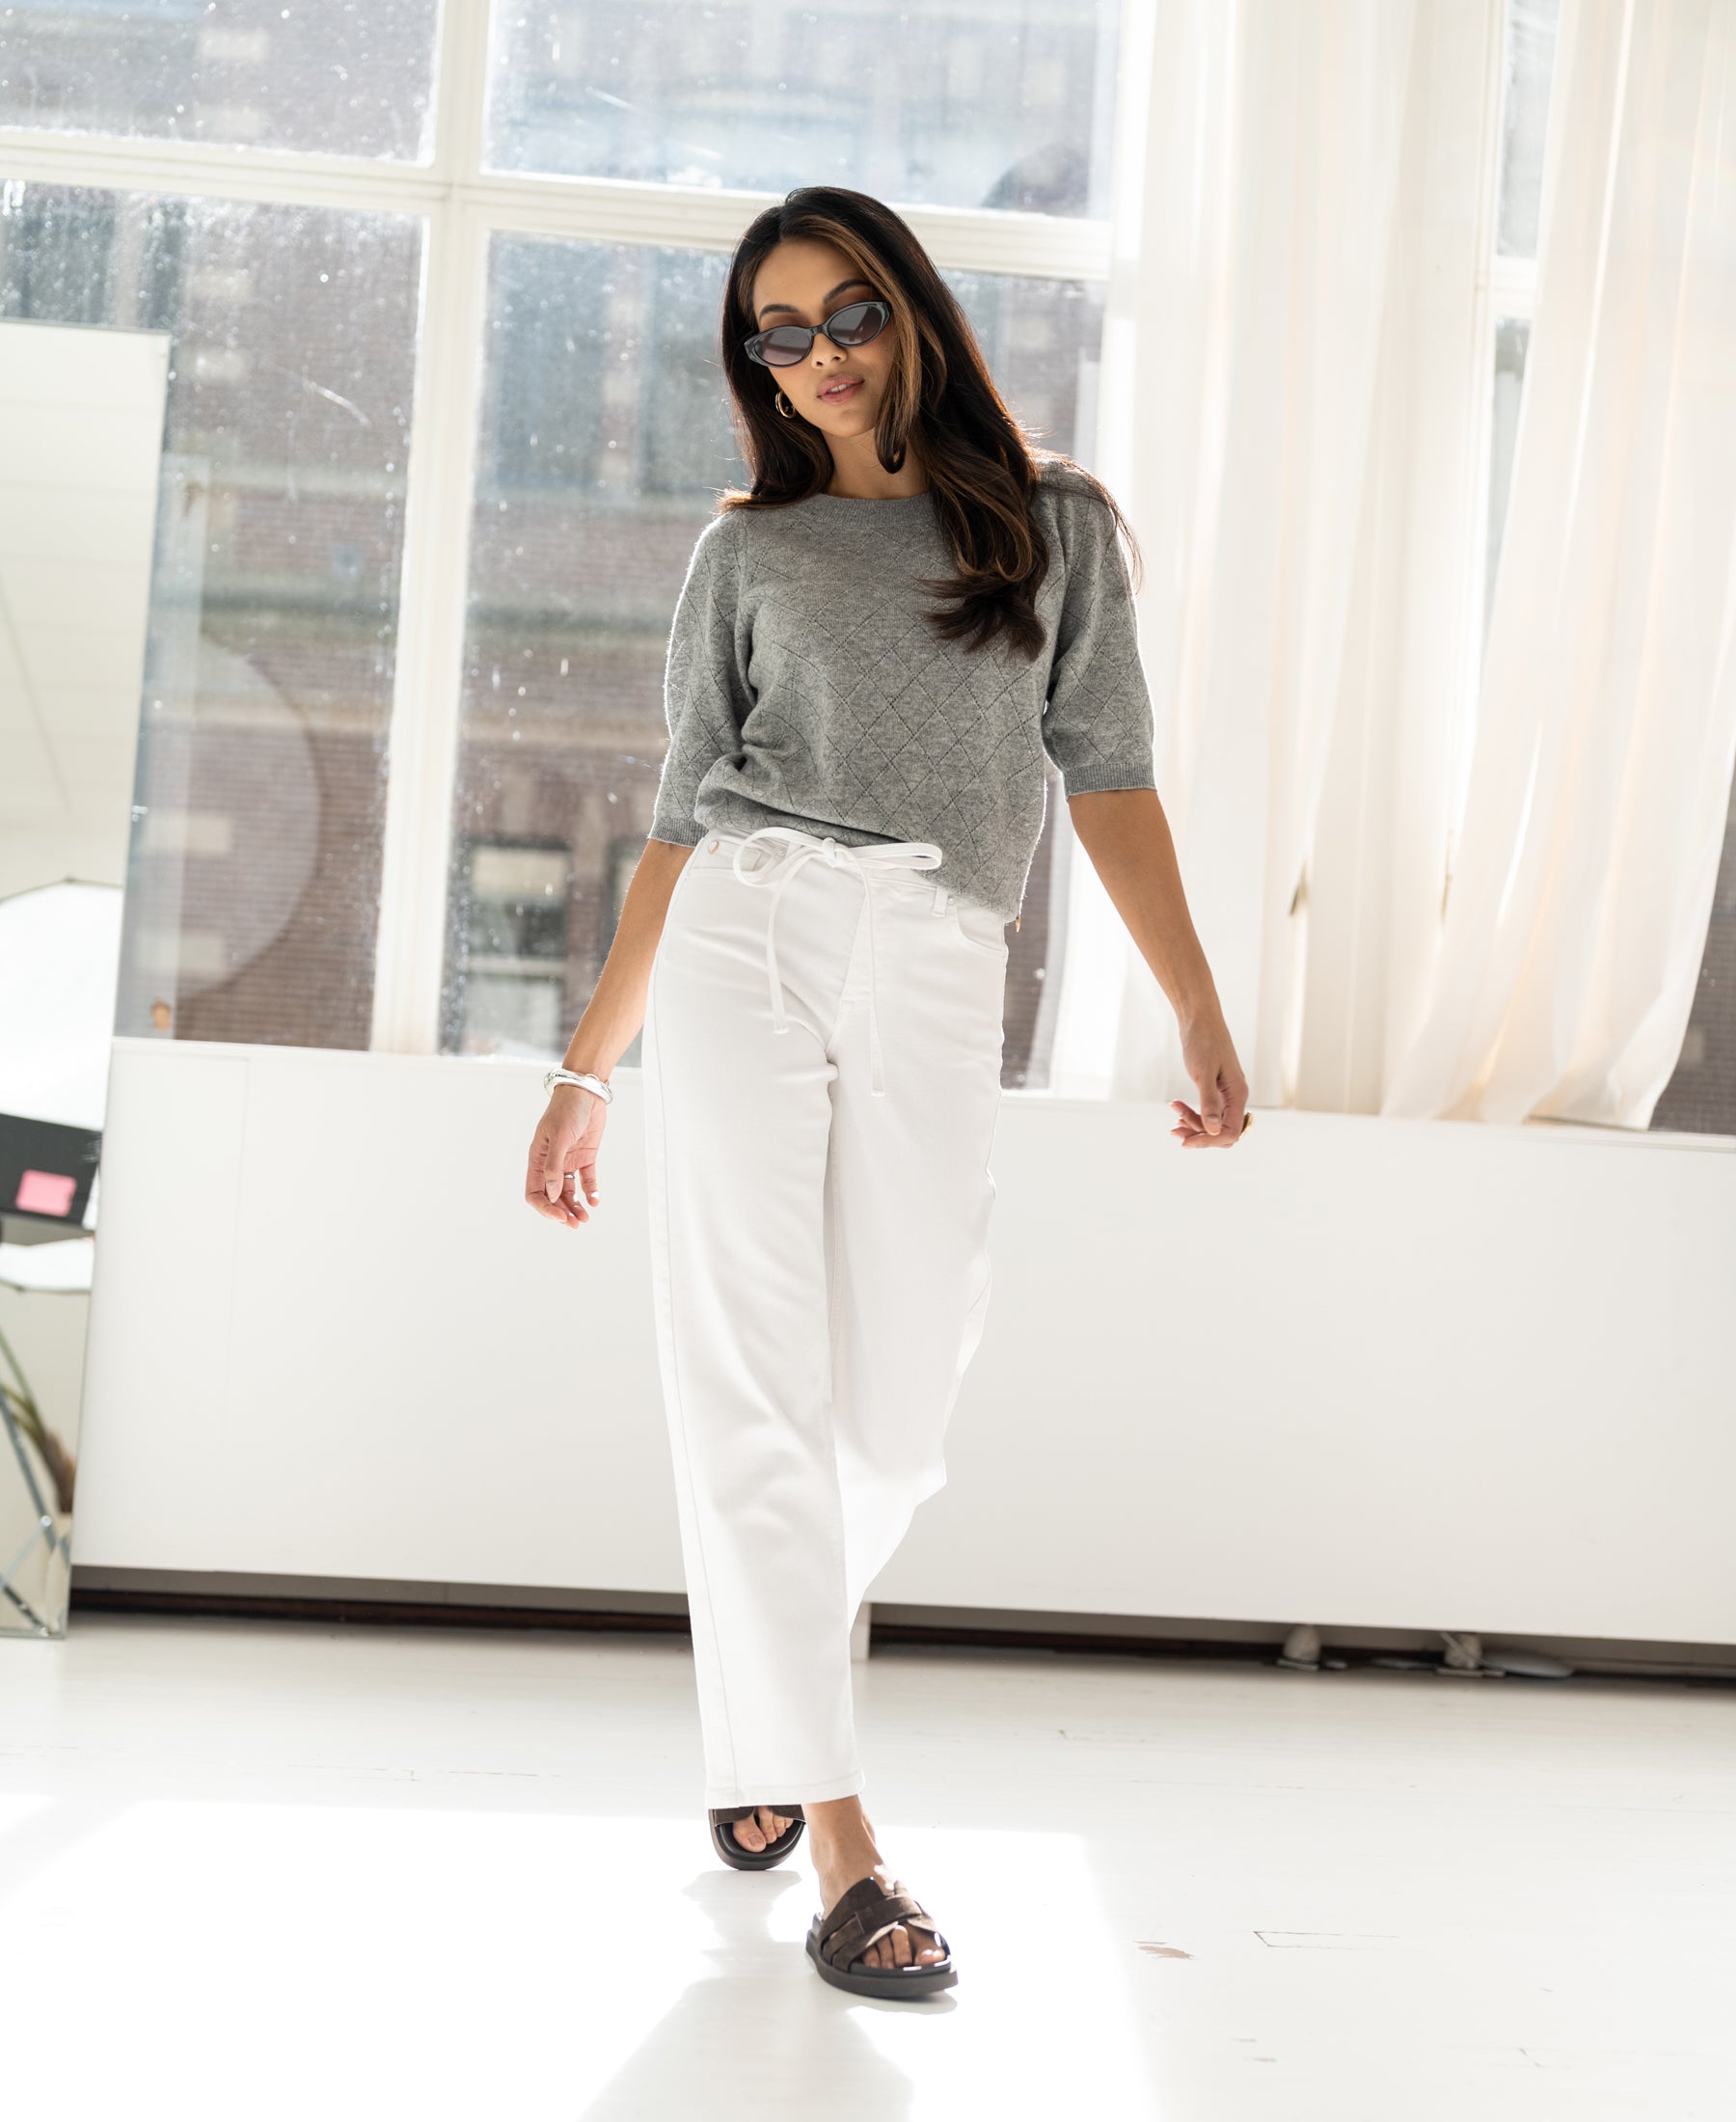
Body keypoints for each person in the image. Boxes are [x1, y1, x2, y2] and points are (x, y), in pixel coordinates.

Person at [525, 184, 1248, 2000]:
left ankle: (757, 1723)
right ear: (753, 365)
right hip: (748, 937)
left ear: (911, 308)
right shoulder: (746, 555)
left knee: (904, 1404)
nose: (823, 358)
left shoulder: (1053, 528)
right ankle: (843, 1839)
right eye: (780, 334)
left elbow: (1113, 781)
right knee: (752, 1370)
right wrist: (584, 1069)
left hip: (933, 947)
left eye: (848, 314)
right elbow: (682, 825)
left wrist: (1197, 1004)